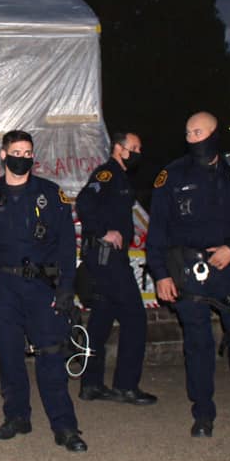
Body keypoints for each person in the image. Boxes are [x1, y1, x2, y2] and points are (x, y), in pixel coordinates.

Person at [146, 111, 230, 438]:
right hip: (188, 270)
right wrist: (161, 275)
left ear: (214, 134)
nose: (192, 138)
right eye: (188, 133)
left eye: (198, 133)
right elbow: (158, 231)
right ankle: (203, 414)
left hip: (229, 268)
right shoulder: (172, 175)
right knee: (198, 343)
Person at [0, 130, 87, 452]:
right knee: (9, 356)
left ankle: (65, 427)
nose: (23, 158)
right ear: (3, 155)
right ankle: (16, 417)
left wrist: (66, 287)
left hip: (41, 287)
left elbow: (67, 246)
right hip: (3, 288)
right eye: (17, 152)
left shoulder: (51, 195)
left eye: (28, 153)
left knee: (51, 355)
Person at [75, 131, 157, 405]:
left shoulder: (120, 177)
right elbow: (84, 201)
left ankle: (91, 384)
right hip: (107, 258)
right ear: (119, 149)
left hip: (108, 258)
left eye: (139, 148)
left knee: (101, 320)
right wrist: (103, 232)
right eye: (134, 148)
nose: (138, 153)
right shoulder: (108, 173)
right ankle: (125, 386)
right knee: (135, 318)